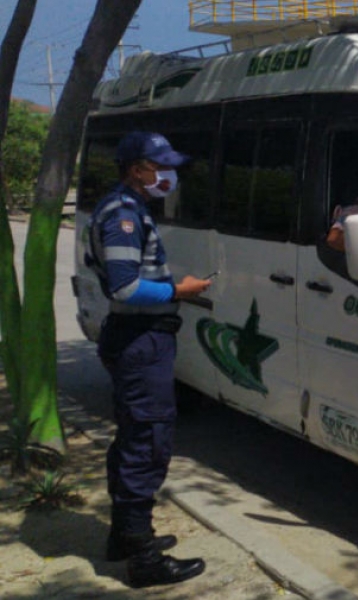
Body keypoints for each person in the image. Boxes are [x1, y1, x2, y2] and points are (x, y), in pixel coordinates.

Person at [86, 131, 211, 587]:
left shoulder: (127, 207)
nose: (167, 174)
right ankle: (144, 561)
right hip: (140, 340)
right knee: (147, 444)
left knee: (133, 437)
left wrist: (175, 289)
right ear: (138, 168)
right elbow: (124, 287)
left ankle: (125, 537)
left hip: (139, 338)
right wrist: (181, 290)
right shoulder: (122, 214)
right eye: (160, 166)